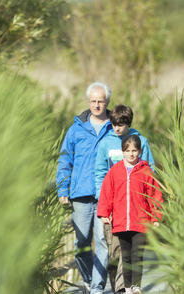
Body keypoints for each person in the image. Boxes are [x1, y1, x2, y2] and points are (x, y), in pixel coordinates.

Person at [56, 82, 112, 294]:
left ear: (107, 102)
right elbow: (64, 161)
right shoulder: (76, 128)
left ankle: (97, 288)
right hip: (80, 194)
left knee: (102, 241)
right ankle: (88, 280)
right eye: (93, 101)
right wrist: (63, 189)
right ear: (88, 102)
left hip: (105, 195)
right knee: (81, 244)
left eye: (101, 101)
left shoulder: (114, 129)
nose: (97, 105)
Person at [94, 105, 155, 293]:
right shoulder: (105, 143)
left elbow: (150, 172)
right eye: (113, 124)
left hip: (136, 210)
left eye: (121, 124)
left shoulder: (141, 141)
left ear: (128, 123)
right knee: (114, 251)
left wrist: (152, 212)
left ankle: (127, 288)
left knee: (133, 254)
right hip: (113, 206)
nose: (117, 128)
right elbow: (100, 174)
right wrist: (104, 206)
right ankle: (118, 287)